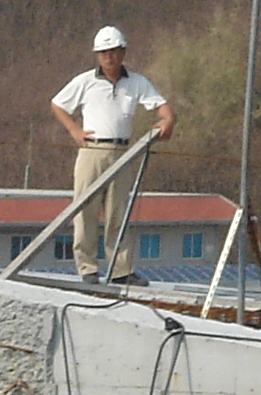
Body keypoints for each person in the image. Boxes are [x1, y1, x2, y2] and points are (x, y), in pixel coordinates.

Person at [50, 25, 175, 283]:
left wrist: (167, 120)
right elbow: (58, 104)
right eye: (104, 52)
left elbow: (161, 107)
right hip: (92, 150)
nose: (109, 57)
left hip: (122, 152)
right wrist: (74, 129)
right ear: (97, 55)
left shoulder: (137, 82)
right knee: (85, 210)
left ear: (123, 52)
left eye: (114, 51)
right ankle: (88, 269)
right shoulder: (85, 81)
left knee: (117, 212)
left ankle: (120, 271)